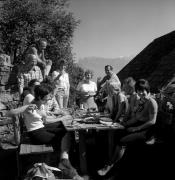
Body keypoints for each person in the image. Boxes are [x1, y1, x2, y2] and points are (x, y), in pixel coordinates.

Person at [7, 84, 83, 180]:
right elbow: (9, 113)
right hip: (36, 134)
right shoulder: (30, 105)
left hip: (41, 128)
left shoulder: (40, 104)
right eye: (48, 95)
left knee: (65, 127)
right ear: (40, 96)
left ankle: (65, 159)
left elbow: (45, 119)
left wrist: (59, 116)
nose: (50, 97)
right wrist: (25, 108)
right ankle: (64, 161)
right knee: (65, 132)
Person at [97, 79, 158, 176]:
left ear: (147, 89)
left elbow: (152, 121)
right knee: (118, 133)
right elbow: (136, 118)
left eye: (143, 90)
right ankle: (114, 161)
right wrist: (124, 124)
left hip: (147, 130)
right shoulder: (141, 101)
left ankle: (109, 166)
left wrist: (136, 129)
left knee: (123, 141)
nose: (141, 93)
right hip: (138, 125)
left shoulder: (152, 102)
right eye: (139, 90)